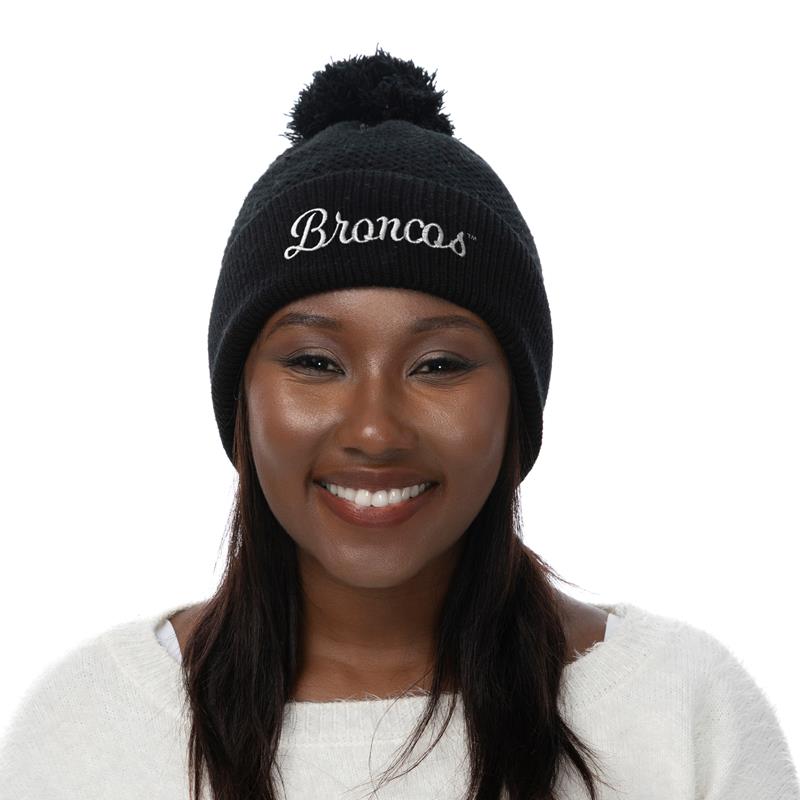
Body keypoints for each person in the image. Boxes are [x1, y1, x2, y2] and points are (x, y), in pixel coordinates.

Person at [1, 48, 798, 800]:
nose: (375, 431)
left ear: (516, 401)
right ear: (241, 395)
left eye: (439, 365)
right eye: (315, 362)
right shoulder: (90, 732)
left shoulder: (681, 713)